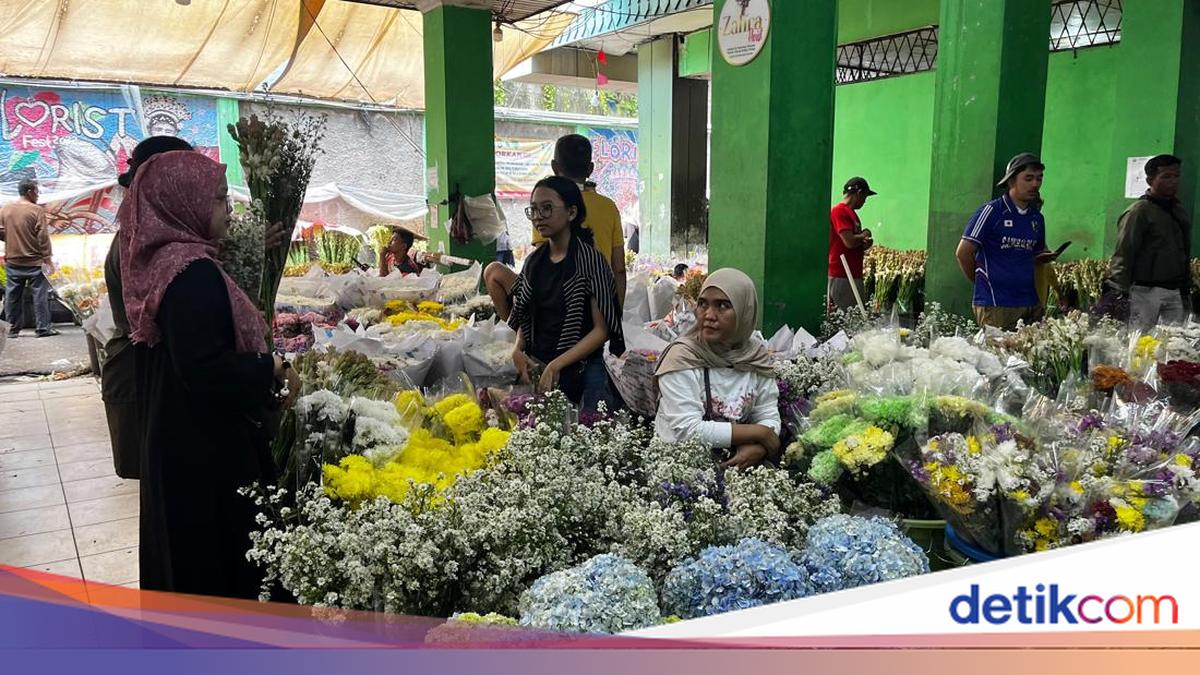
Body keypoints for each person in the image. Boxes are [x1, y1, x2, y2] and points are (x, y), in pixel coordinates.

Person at [120, 150, 299, 599]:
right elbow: (203, 368)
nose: (227, 210)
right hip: (203, 448)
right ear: (186, 202)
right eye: (220, 199)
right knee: (219, 560)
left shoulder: (166, 261)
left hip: (178, 435)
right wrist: (271, 366)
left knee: (189, 559)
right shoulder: (193, 273)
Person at [104, 135, 195, 479]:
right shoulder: (141, 241)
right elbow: (175, 322)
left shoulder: (154, 233)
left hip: (148, 378)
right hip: (143, 379)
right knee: (164, 490)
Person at [509, 176, 624, 412]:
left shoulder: (591, 261)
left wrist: (556, 365)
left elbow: (601, 330)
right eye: (534, 209)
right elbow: (525, 314)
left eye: (547, 208)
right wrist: (518, 348)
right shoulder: (533, 263)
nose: (539, 216)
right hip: (539, 370)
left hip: (581, 373)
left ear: (571, 213)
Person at [486, 134, 626, 320]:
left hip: (558, 309)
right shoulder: (608, 207)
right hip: (597, 308)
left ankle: (519, 330)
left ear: (554, 167)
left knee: (493, 271)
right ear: (591, 169)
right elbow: (619, 270)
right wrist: (615, 315)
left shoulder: (547, 204)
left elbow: (542, 270)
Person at [654, 268, 780, 469]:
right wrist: (761, 434)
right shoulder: (683, 357)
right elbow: (688, 431)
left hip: (737, 473)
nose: (709, 315)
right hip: (680, 471)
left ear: (744, 311)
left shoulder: (755, 357)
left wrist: (760, 449)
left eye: (723, 306)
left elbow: (767, 414)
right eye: (703, 304)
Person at [956, 153, 1061, 330]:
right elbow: (963, 253)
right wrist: (983, 282)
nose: (1035, 184)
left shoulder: (1037, 219)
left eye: (1039, 178)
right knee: (999, 357)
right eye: (1028, 178)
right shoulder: (991, 212)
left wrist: (1043, 258)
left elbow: (1035, 253)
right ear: (1011, 180)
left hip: (1030, 302)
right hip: (997, 304)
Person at [1106, 154, 1193, 329]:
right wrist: (1118, 293)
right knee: (1142, 345)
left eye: (1176, 176)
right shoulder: (1139, 212)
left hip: (1174, 290)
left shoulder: (1179, 211)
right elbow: (1124, 254)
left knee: (1174, 345)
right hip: (1144, 292)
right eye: (1166, 176)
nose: (1173, 181)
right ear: (1150, 180)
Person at [1, 179, 58, 338]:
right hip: (34, 262)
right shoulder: (36, 210)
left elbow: (0, 231)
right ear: (29, 192)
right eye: (37, 192)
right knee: (40, 296)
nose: (38, 195)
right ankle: (42, 329)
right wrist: (47, 259)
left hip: (13, 261)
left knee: (12, 296)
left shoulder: (5, 209)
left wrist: (12, 239)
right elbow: (43, 236)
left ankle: (12, 330)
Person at [828, 177, 876, 311]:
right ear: (859, 193)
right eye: (865, 197)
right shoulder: (839, 211)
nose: (865, 201)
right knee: (844, 319)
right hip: (841, 274)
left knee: (854, 316)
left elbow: (852, 242)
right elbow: (848, 241)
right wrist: (864, 234)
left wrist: (863, 243)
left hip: (853, 273)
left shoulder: (851, 214)